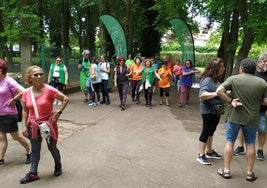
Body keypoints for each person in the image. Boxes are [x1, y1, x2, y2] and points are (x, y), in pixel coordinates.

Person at [216, 58, 267, 181]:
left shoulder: (233, 79)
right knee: (250, 144)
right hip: (252, 119)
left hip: (235, 117)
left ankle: (227, 171)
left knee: (230, 142)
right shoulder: (262, 83)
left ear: (241, 69)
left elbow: (219, 91)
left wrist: (230, 101)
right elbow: (266, 101)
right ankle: (249, 173)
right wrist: (256, 101)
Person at [20, 65, 69, 184]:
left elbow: (65, 99)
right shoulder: (26, 93)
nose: (39, 76)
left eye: (41, 74)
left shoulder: (49, 90)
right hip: (33, 125)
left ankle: (58, 164)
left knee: (52, 147)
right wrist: (24, 125)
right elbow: (25, 110)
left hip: (48, 124)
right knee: (35, 150)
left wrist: (58, 112)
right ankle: (33, 173)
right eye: (35, 74)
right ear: (29, 78)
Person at [233, 53, 267, 161]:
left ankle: (260, 150)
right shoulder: (252, 72)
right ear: (258, 62)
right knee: (243, 128)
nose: (266, 63)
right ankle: (240, 146)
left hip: (263, 109)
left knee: (262, 130)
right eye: (264, 61)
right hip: (248, 108)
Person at [0, 59, 31, 166]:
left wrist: (14, 99)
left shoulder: (9, 81)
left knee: (16, 136)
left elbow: (24, 91)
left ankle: (29, 151)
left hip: (9, 114)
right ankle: (1, 158)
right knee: (1, 136)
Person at [197, 58, 225, 165]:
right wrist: (218, 93)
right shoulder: (207, 80)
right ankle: (201, 155)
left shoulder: (216, 79)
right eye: (222, 67)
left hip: (215, 111)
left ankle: (209, 151)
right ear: (216, 68)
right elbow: (202, 95)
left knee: (211, 131)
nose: (224, 68)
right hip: (208, 111)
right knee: (206, 131)